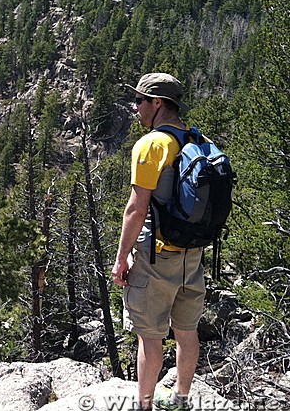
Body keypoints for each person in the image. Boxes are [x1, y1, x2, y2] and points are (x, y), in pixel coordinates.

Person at [111, 72, 204, 411]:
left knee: (149, 337)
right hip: (192, 254)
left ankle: (144, 405)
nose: (135, 107)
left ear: (158, 104)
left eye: (140, 101)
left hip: (156, 256)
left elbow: (136, 209)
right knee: (186, 330)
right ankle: (180, 399)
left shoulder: (152, 145)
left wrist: (121, 259)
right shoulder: (196, 139)